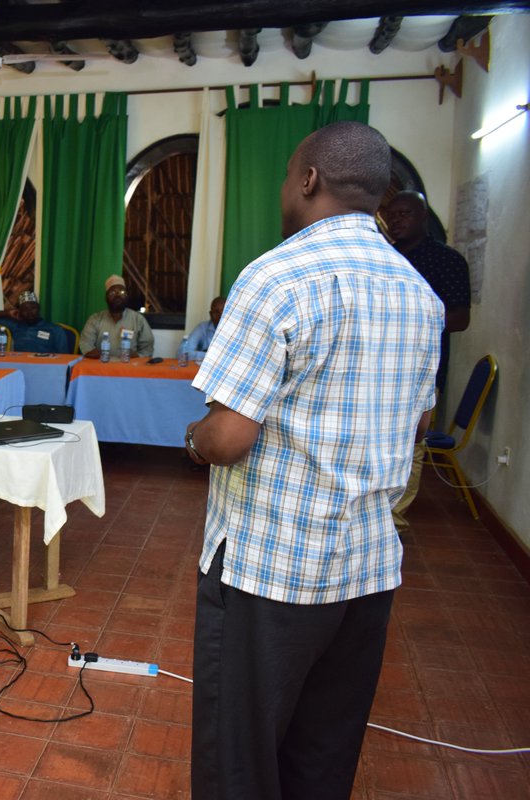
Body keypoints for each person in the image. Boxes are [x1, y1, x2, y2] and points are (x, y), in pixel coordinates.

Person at [183, 122, 441, 800]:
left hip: (271, 571)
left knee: (240, 758)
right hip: (368, 567)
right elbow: (419, 420)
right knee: (325, 752)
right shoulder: (420, 295)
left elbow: (228, 437)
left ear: (307, 179)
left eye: (285, 176)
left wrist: (194, 438)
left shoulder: (276, 276)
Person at [381, 191, 472, 533]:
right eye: (392, 213)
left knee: (411, 444)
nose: (396, 219)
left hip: (420, 370)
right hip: (377, 367)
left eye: (405, 213)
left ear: (423, 216)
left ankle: (393, 524)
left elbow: (460, 318)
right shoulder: (384, 257)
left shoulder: (446, 261)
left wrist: (410, 319)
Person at [78, 275, 155, 359]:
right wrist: (106, 358)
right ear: (106, 297)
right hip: (101, 367)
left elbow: (147, 349)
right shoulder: (95, 319)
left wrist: (135, 356)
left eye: (122, 292)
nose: (117, 296)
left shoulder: (138, 319)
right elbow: (85, 345)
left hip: (129, 367)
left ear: (127, 296)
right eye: (112, 293)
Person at [0, 290, 69, 354]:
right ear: (20, 311)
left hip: (46, 367)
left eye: (33, 308)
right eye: (25, 309)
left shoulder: (54, 329)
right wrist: (7, 312)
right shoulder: (15, 325)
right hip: (20, 365)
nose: (29, 312)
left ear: (38, 308)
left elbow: (65, 357)